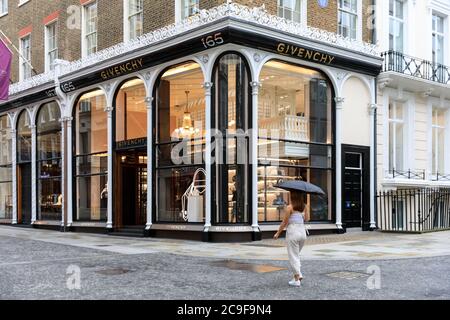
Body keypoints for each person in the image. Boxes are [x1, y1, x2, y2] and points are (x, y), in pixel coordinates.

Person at [274, 191, 307, 287]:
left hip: (293, 232)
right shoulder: (305, 207)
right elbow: (307, 220)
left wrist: (277, 233)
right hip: (302, 233)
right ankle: (298, 275)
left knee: (293, 256)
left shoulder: (289, 208)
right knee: (296, 255)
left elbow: (284, 223)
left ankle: (297, 279)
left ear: (292, 197)